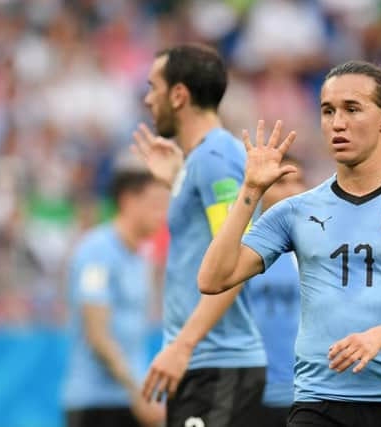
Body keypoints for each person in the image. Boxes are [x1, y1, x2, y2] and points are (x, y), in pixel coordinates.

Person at [198, 60, 381, 427]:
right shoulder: (296, 211)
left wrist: (377, 337)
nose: (338, 122)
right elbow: (213, 279)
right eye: (328, 111)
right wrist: (251, 190)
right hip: (319, 405)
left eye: (352, 109)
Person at [132, 44, 266, 427]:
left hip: (217, 362)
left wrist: (183, 345)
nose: (147, 99)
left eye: (153, 87)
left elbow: (233, 259)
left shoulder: (216, 156)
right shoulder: (202, 160)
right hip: (203, 361)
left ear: (178, 95)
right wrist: (179, 179)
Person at [62, 158, 167, 427]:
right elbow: (97, 335)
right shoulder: (95, 252)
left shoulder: (142, 256)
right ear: (128, 201)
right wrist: (136, 392)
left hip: (131, 400)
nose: (162, 214)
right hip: (96, 404)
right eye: (155, 204)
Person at [247, 157, 305, 426]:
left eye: (298, 181)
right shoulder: (242, 249)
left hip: (307, 395)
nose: (292, 190)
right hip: (249, 395)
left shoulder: (321, 249)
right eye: (281, 182)